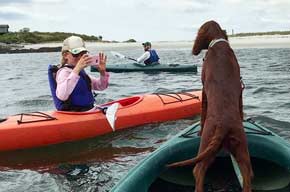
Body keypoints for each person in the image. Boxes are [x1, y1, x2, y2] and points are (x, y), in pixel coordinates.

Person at [48, 35, 109, 112]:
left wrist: (102, 73)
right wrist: (77, 69)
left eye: (83, 54)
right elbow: (62, 96)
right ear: (65, 55)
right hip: (74, 114)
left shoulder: (81, 73)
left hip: (88, 111)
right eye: (76, 54)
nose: (80, 57)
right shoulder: (64, 72)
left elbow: (101, 86)